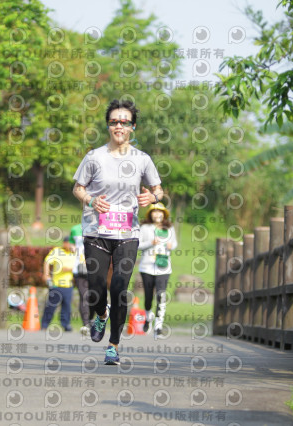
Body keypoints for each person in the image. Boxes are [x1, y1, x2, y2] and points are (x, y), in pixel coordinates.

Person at [73, 99, 164, 365]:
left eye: (124, 122)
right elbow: (78, 188)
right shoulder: (94, 157)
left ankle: (113, 345)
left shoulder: (142, 159)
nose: (119, 126)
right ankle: (100, 315)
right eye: (114, 122)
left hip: (128, 233)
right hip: (96, 231)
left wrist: (154, 198)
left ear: (133, 127)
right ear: (108, 126)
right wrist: (90, 200)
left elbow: (159, 189)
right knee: (97, 286)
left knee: (120, 286)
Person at [138, 202, 177, 337]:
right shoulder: (144, 227)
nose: (157, 214)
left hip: (163, 267)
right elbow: (138, 245)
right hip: (147, 267)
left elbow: (175, 244)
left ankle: (158, 326)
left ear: (164, 214)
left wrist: (171, 245)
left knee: (161, 295)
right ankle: (148, 318)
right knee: (148, 297)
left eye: (160, 212)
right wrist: (150, 243)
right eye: (154, 211)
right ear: (150, 214)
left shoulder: (169, 228)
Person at [41, 236, 77, 331]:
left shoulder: (75, 253)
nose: (69, 245)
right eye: (68, 243)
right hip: (56, 284)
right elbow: (47, 261)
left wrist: (70, 269)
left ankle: (66, 325)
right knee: (51, 306)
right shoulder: (57, 251)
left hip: (68, 285)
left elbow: (82, 263)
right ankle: (44, 325)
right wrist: (46, 274)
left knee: (66, 306)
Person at [70, 224, 91, 335]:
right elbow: (70, 244)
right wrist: (71, 247)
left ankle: (94, 320)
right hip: (79, 268)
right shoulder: (75, 229)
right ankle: (86, 323)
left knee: (95, 296)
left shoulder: (101, 225)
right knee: (84, 296)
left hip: (95, 268)